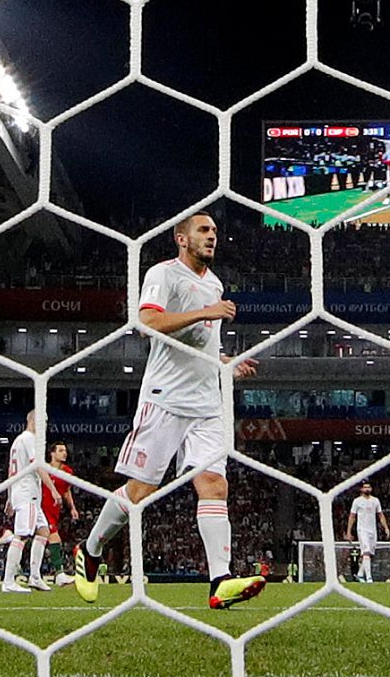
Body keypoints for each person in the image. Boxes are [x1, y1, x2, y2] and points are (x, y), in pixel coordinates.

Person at [73, 212, 265, 609]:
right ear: (182, 239)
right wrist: (205, 312)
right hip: (165, 399)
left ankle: (220, 581)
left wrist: (226, 362)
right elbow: (147, 321)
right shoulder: (163, 274)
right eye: (204, 230)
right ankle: (90, 552)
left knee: (214, 485)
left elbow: (200, 345)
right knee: (140, 493)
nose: (212, 236)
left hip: (207, 403)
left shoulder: (214, 283)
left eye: (215, 231)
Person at [1, 409, 53, 593]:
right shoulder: (31, 439)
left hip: (20, 492)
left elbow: (10, 471)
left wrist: (9, 497)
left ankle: (35, 577)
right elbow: (37, 466)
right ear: (33, 420)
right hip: (27, 493)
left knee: (43, 531)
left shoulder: (17, 441)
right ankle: (8, 582)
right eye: (43, 421)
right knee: (21, 535)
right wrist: (53, 490)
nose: (45, 426)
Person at [43, 441, 79, 586]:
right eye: (60, 450)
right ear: (52, 453)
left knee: (33, 539)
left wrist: (72, 508)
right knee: (54, 538)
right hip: (41, 508)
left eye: (65, 450)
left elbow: (66, 491)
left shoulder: (67, 472)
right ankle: (59, 574)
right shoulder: (43, 468)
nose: (65, 453)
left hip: (54, 511)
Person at [344, 481, 390, 583]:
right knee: (366, 552)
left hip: (373, 530)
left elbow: (380, 515)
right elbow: (352, 516)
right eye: (365, 487)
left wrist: (386, 527)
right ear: (361, 489)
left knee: (370, 554)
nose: (367, 489)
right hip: (362, 530)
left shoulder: (375, 501)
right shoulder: (357, 501)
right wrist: (348, 532)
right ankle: (369, 578)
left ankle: (360, 575)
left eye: (369, 487)